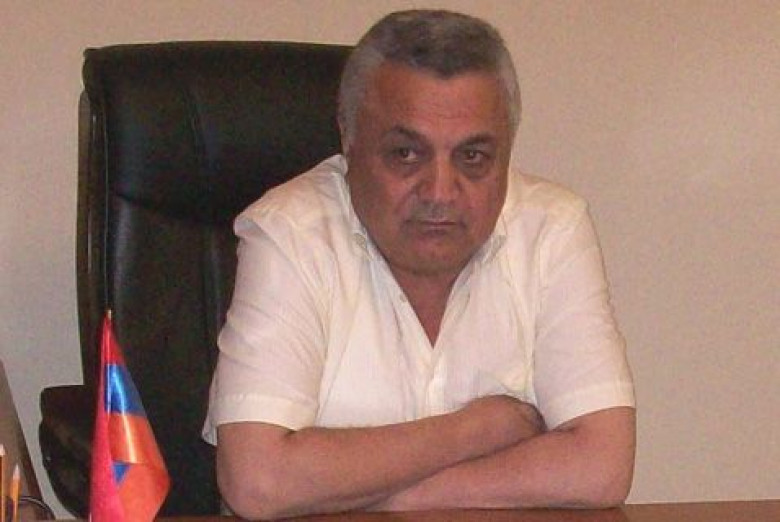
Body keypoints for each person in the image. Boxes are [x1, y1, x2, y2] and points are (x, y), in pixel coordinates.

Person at [203, 9, 635, 520]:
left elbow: (603, 466)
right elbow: (258, 482)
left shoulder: (551, 228)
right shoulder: (289, 234)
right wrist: (476, 429)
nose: (440, 192)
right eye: (407, 154)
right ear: (348, 138)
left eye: (473, 157)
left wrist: (371, 497)